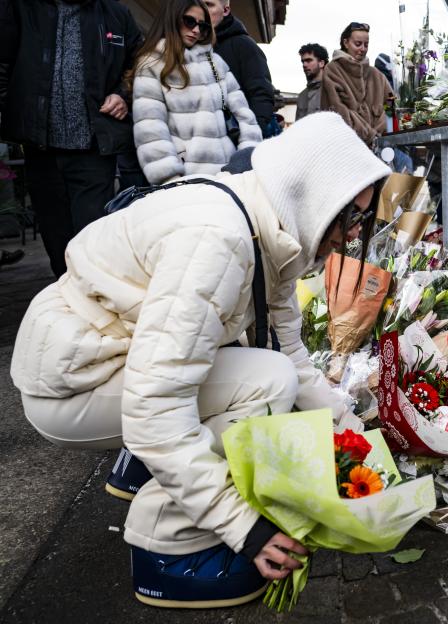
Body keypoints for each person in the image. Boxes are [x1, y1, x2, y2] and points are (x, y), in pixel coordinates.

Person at [10, 112, 391, 607]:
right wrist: (245, 528)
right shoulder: (221, 241)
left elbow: (291, 349)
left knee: (265, 369)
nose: (350, 234)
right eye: (351, 215)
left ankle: (143, 471)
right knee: (265, 384)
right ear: (311, 193)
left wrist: (350, 431)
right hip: (74, 384)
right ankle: (165, 546)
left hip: (100, 353)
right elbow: (155, 410)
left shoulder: (266, 219)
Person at [0, 0, 143, 277]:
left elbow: (141, 65)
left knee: (92, 243)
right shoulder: (21, 8)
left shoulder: (116, 14)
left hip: (93, 150)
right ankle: (70, 307)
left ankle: (93, 306)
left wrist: (123, 94)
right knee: (57, 244)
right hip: (41, 149)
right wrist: (17, 112)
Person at [132, 0, 261, 185]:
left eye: (202, 25)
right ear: (173, 19)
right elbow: (150, 131)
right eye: (189, 21)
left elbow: (246, 118)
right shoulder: (153, 64)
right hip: (186, 180)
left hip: (231, 179)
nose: (196, 30)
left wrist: (242, 164)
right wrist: (170, 179)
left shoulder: (216, 62)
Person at [202, 0, 278, 138]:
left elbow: (261, 94)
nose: (203, 10)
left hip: (236, 139)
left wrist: (250, 135)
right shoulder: (194, 45)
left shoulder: (244, 45)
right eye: (200, 4)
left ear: (225, 10)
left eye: (209, 4)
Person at [321, 22, 392, 145]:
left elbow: (391, 105)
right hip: (347, 148)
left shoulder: (377, 75)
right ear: (345, 42)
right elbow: (338, 111)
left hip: (379, 149)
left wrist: (379, 131)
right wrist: (370, 135)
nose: (363, 49)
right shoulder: (332, 70)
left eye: (366, 44)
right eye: (358, 44)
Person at [296, 43, 328, 121]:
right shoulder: (302, 96)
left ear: (321, 63)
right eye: (302, 61)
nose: (304, 64)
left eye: (309, 60)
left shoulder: (332, 90)